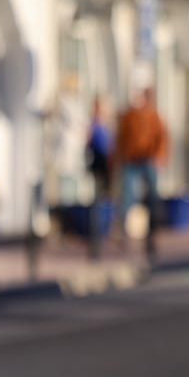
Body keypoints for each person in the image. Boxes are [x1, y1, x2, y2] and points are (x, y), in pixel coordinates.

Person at [116, 87, 169, 257]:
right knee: (128, 196)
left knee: (152, 197)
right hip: (132, 160)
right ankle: (124, 230)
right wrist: (120, 157)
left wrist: (159, 157)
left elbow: (162, 138)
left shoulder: (153, 116)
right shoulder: (130, 116)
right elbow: (122, 138)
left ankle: (152, 232)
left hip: (148, 160)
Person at [86, 96, 114, 259]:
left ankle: (105, 230)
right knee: (98, 199)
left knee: (106, 198)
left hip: (107, 164)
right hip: (99, 163)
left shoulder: (105, 125)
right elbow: (90, 145)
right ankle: (97, 234)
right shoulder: (95, 126)